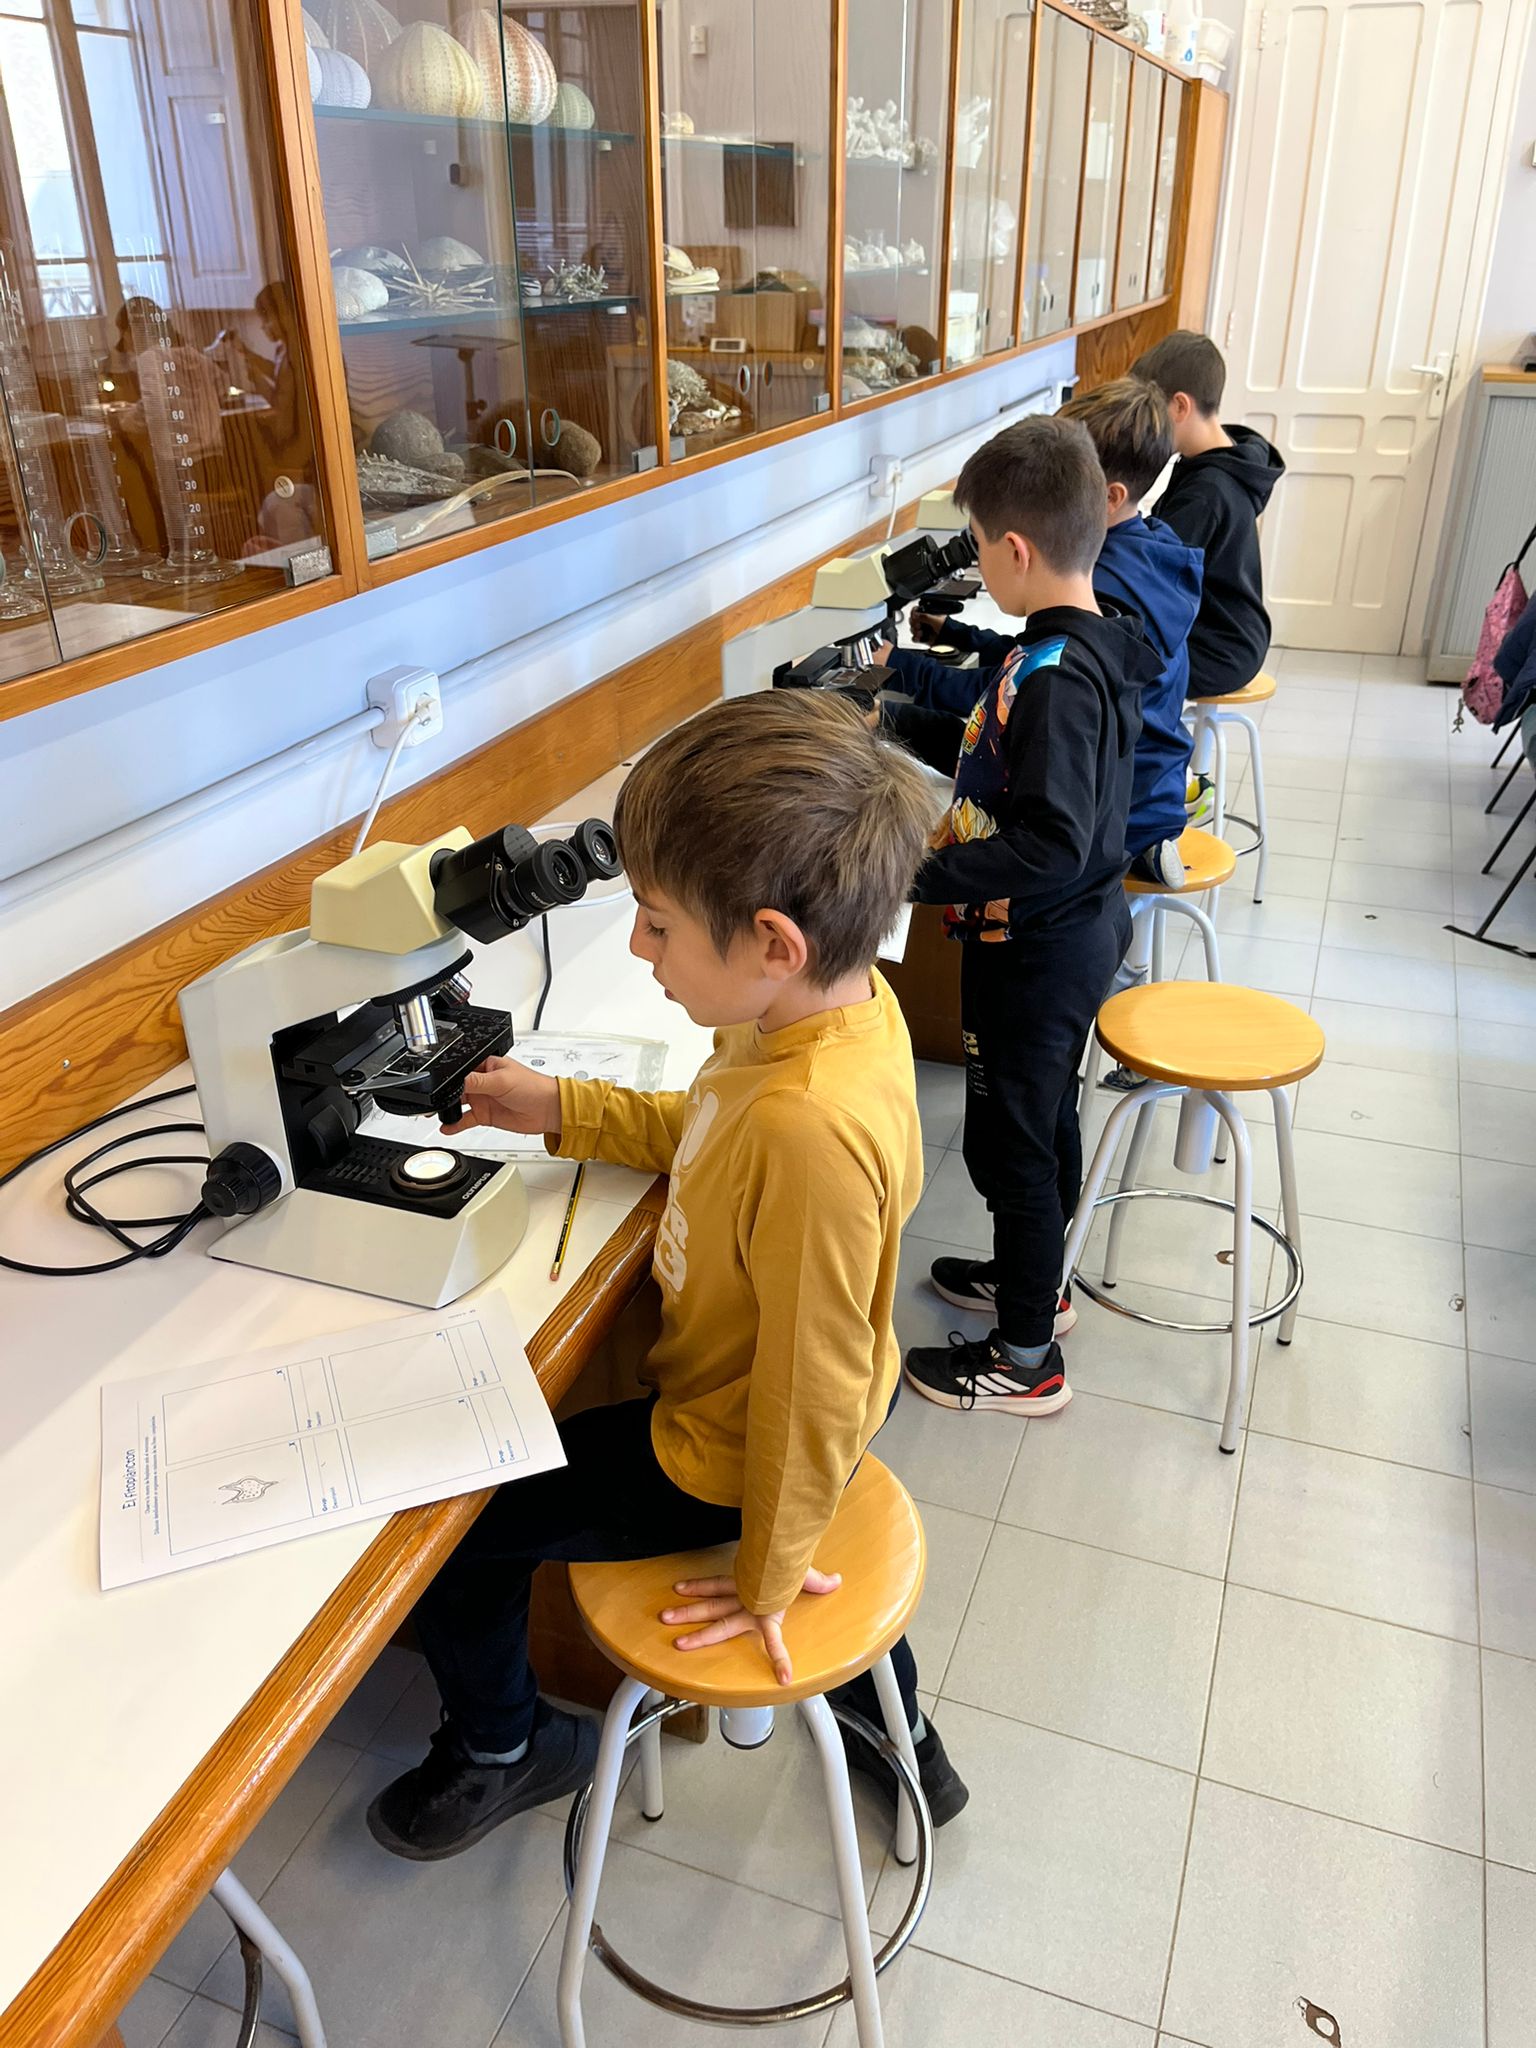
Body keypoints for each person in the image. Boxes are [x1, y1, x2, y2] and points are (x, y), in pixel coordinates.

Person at [367, 691, 968, 1863]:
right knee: (808, 1479)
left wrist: (769, 1572)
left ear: (773, 943)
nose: (640, 951)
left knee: (459, 1531)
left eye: (656, 925)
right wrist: (566, 1108)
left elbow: (812, 1385)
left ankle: (504, 1742)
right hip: (795, 1403)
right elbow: (707, 1129)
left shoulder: (808, 1126)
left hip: (729, 1447)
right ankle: (906, 1744)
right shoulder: (813, 1016)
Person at [899, 415, 1161, 1415]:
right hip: (1057, 940)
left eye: (976, 545)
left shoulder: (1055, 678)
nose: (975, 561)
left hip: (1037, 953)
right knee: (1039, 1125)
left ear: (1015, 549)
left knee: (1012, 1143)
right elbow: (999, 756)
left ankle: (1023, 1358)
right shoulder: (1071, 648)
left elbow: (1053, 841)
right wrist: (896, 717)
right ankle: (1035, 1287)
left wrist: (910, 874)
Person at [1058, 377, 1203, 890]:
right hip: (1161, 785)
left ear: (1109, 496)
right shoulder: (1157, 546)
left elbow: (1027, 682)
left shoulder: (1100, 586)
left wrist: (913, 676)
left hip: (1123, 808)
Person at [1131, 329, 1284, 702]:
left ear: (1180, 406)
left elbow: (1156, 574)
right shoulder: (1227, 456)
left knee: (1110, 667)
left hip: (1218, 651)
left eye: (1149, 413)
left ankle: (1156, 742)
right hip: (1235, 636)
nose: (1145, 427)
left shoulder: (1208, 491)